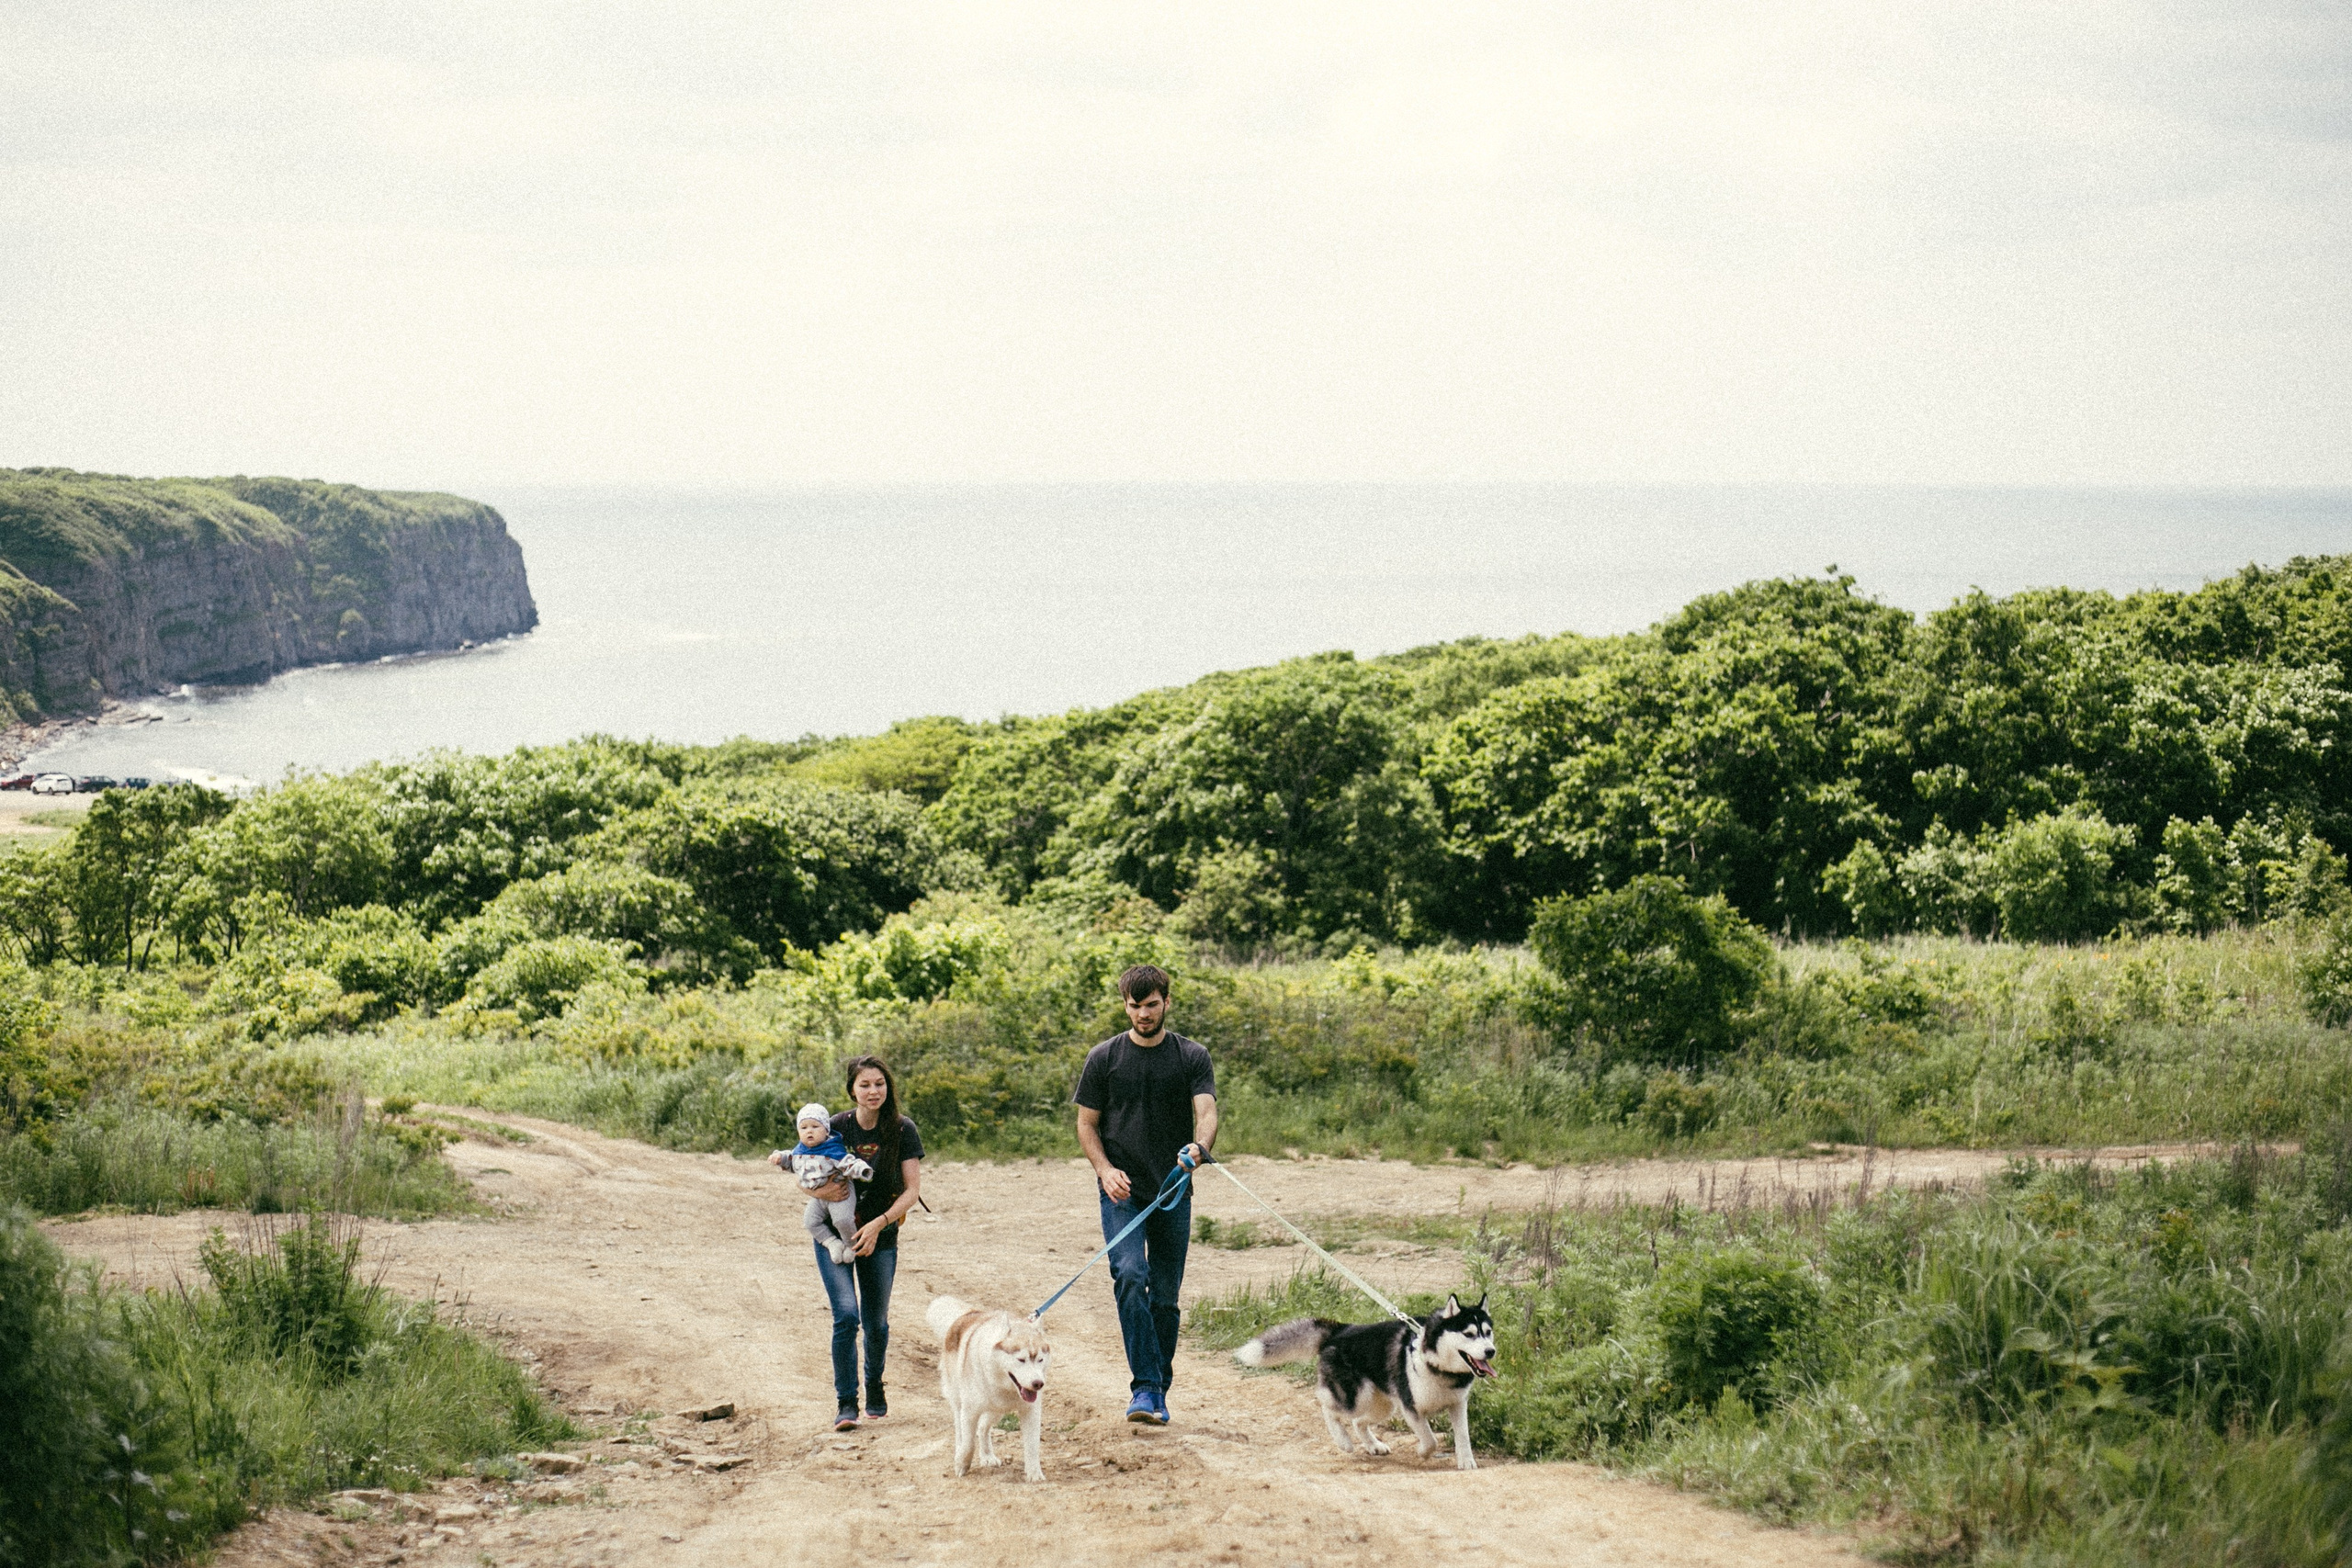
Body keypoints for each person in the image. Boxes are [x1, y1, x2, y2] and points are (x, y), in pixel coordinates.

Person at [1073, 963, 1217, 1426]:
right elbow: (1086, 1124)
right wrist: (1104, 1168)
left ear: (1167, 1002)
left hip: (1174, 1189)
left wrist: (1201, 1146)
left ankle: (1156, 1389)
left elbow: (1207, 1112)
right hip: (1122, 1193)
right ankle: (1146, 1388)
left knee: (1166, 1298)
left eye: (1151, 1005)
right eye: (1134, 1006)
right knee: (1131, 1274)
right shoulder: (1104, 1057)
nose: (1143, 1014)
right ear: (1125, 1005)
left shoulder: (1191, 1056)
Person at [799, 1056, 923, 1431]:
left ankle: (875, 1386)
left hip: (881, 1236)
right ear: (852, 1089)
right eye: (865, 1085)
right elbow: (802, 1166)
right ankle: (846, 1402)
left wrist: (879, 1224)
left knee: (876, 1323)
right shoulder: (833, 1125)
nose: (873, 1091)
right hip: (835, 1236)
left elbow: (913, 1191)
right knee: (846, 1316)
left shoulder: (902, 1130)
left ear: (889, 1088)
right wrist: (814, 1188)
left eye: (880, 1084)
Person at [770, 1104, 874, 1264]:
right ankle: (832, 1243)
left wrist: (862, 1170)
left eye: (815, 1126)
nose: (809, 1131)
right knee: (810, 1221)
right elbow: (791, 1161)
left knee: (842, 1220)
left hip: (840, 1194)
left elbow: (849, 1163)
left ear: (826, 1130)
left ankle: (851, 1245)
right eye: (803, 1127)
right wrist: (779, 1158)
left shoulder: (832, 1151)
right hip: (818, 1198)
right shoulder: (799, 1152)